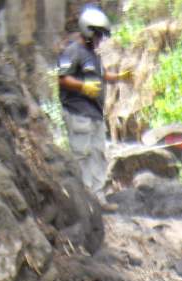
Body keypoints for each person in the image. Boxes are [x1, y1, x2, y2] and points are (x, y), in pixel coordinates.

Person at [57, 5, 131, 201]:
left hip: (95, 114)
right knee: (82, 154)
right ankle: (85, 199)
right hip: (78, 113)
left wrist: (119, 77)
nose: (100, 40)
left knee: (98, 154)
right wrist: (82, 87)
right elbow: (62, 78)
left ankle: (98, 198)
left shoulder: (94, 56)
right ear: (88, 31)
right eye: (98, 35)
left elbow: (101, 75)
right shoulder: (72, 52)